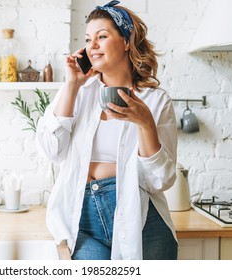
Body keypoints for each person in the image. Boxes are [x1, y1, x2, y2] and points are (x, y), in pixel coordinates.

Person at [36, 0, 178, 260]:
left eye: (102, 36)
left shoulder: (155, 101)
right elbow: (52, 150)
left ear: (126, 41)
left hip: (142, 219)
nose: (93, 46)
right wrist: (71, 85)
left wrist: (145, 123)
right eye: (88, 39)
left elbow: (160, 181)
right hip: (84, 220)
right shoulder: (76, 92)